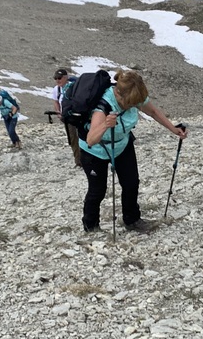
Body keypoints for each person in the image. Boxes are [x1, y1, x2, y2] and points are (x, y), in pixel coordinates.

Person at [79, 68, 186, 233]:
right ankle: (90, 226)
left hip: (122, 144)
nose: (133, 106)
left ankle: (132, 220)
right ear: (118, 94)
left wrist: (173, 129)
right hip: (95, 151)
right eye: (130, 103)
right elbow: (91, 139)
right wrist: (106, 124)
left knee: (131, 183)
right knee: (97, 190)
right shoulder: (103, 106)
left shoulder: (135, 96)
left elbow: (153, 111)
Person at [52, 69, 82, 169]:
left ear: (65, 78)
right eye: (56, 78)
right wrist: (58, 112)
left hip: (77, 116)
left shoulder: (73, 87)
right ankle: (78, 161)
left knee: (82, 136)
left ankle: (86, 158)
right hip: (67, 117)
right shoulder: (56, 89)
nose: (57, 80)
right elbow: (56, 101)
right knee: (73, 138)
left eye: (59, 78)